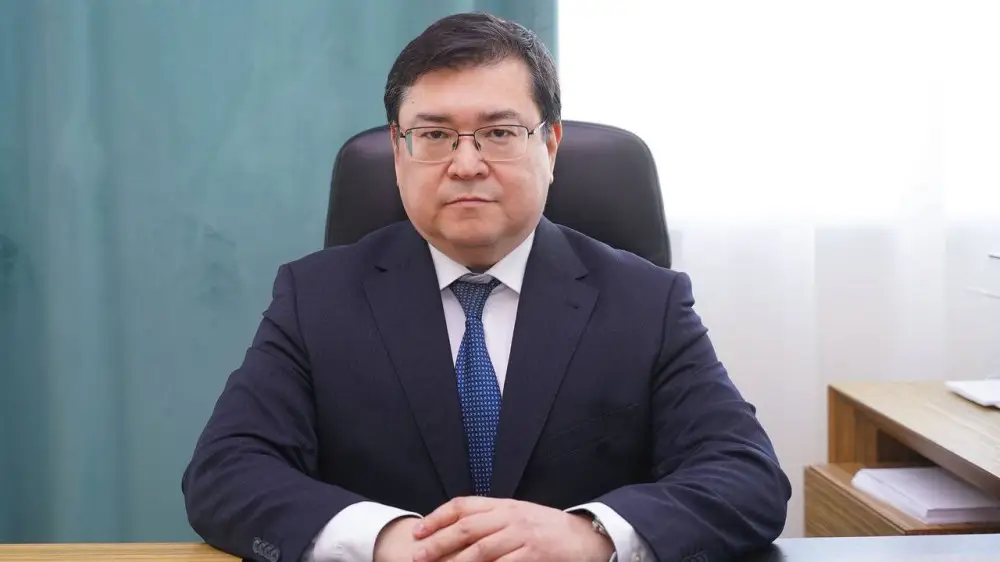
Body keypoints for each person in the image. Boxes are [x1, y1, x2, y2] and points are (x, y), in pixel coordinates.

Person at [181, 11, 791, 562]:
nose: (467, 164)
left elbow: (746, 477)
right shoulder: (316, 298)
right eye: (435, 135)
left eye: (499, 133)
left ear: (550, 145)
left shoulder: (646, 302)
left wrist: (589, 535)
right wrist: (388, 540)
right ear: (398, 151)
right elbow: (225, 471)